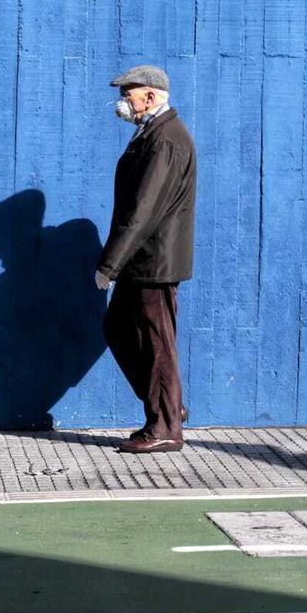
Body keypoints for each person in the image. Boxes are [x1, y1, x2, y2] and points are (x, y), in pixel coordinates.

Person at [96, 65, 197, 454]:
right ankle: (167, 407)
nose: (124, 102)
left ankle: (166, 427)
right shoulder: (153, 134)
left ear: (151, 97)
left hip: (153, 260)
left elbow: (144, 209)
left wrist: (109, 265)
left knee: (157, 343)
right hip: (143, 260)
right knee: (118, 327)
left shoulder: (166, 139)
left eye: (129, 95)